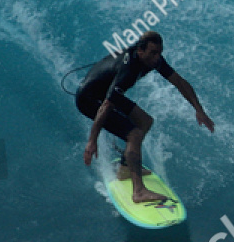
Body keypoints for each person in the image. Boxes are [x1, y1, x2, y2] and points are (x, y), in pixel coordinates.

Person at [75, 32, 214, 203]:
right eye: (153, 53)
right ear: (140, 51)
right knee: (134, 134)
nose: (157, 58)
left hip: (106, 94)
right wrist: (92, 140)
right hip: (89, 99)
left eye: (159, 53)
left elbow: (180, 82)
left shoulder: (152, 59)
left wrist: (199, 110)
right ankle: (139, 192)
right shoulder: (128, 70)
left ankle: (126, 168)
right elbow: (106, 106)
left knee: (145, 121)